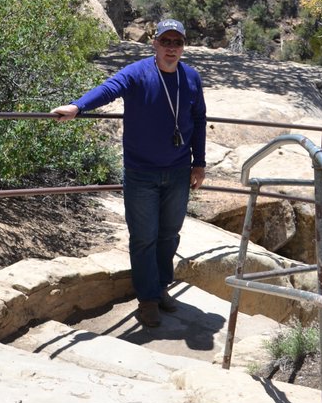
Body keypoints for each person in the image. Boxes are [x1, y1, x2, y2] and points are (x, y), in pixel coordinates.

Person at [51, 18, 206, 328]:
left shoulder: (191, 77)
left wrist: (198, 163)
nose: (171, 48)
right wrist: (77, 107)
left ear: (183, 47)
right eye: (166, 42)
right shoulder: (138, 73)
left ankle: (161, 287)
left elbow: (199, 120)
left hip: (177, 172)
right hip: (141, 173)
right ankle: (147, 299)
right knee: (144, 238)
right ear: (155, 44)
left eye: (177, 43)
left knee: (169, 235)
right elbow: (110, 89)